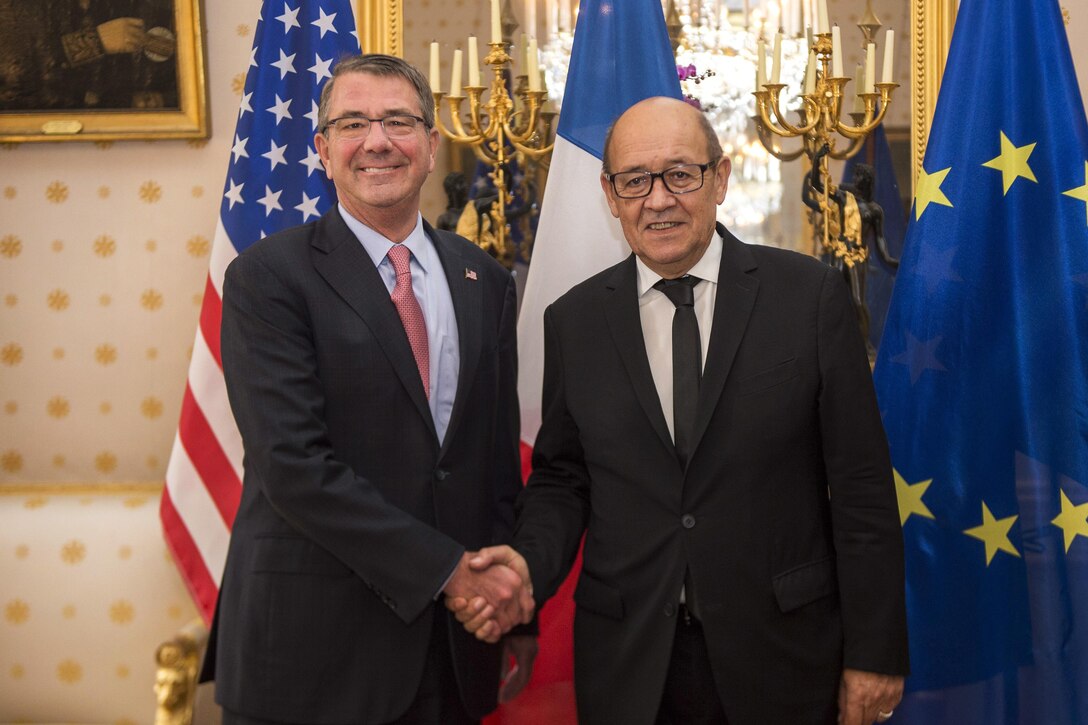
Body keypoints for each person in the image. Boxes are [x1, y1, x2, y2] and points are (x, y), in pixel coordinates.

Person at [449, 96, 908, 725]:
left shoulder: (809, 298)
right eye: (635, 180)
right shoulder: (575, 321)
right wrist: (527, 562)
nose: (657, 200)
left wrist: (876, 654)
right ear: (610, 196)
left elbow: (861, 489)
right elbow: (564, 478)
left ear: (719, 179)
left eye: (680, 174)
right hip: (632, 664)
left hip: (784, 658)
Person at [202, 54, 536, 725]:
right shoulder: (268, 278)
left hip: (451, 656)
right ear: (323, 150)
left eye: (399, 121)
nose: (378, 141)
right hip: (310, 659)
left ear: (433, 145)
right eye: (353, 123)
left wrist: (500, 599)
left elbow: (493, 466)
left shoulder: (486, 281)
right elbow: (293, 464)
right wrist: (452, 573)